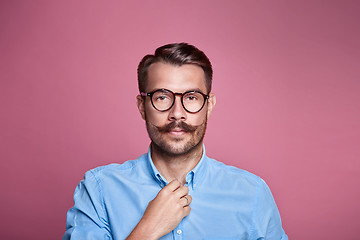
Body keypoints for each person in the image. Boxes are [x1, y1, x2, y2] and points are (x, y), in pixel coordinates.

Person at [63, 43, 288, 240]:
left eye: (191, 98)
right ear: (142, 107)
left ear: (209, 106)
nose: (177, 114)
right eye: (162, 97)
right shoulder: (98, 190)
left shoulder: (253, 194)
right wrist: (146, 231)